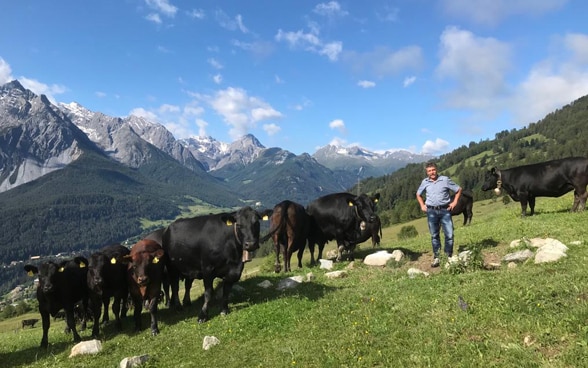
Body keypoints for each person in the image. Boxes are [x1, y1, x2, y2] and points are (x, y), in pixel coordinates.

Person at [416, 162, 462, 267]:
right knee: (434, 235)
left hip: (445, 210)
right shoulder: (425, 182)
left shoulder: (445, 180)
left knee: (449, 234)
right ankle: (437, 257)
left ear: (436, 170)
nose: (431, 172)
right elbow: (418, 194)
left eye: (433, 170)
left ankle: (448, 256)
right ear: (427, 172)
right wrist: (422, 205)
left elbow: (458, 190)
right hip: (431, 211)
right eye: (429, 171)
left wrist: (454, 202)